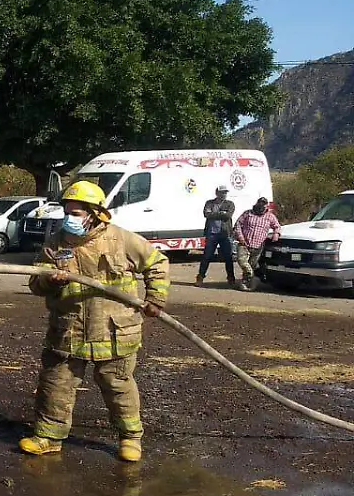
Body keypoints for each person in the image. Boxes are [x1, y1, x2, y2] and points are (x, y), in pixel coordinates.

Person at [21, 181, 169, 463]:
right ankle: (48, 437)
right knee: (57, 382)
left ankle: (130, 438)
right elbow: (35, 284)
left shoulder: (122, 240)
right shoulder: (56, 244)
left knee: (117, 384)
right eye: (67, 211)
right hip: (69, 329)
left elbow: (157, 263)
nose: (69, 218)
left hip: (113, 331)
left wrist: (155, 299)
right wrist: (48, 279)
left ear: (95, 213)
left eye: (76, 213)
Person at [233, 197, 281, 292]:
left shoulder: (270, 216)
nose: (261, 206)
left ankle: (245, 284)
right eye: (260, 203)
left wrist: (276, 234)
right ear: (257, 203)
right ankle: (252, 276)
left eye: (264, 204)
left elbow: (277, 226)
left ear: (266, 205)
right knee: (242, 261)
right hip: (244, 243)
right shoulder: (247, 213)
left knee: (252, 265)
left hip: (258, 245)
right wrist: (240, 237)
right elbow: (238, 225)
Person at [196, 185, 236, 287]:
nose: (224, 194)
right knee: (206, 256)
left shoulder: (230, 204)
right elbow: (206, 214)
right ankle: (200, 277)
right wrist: (221, 213)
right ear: (217, 193)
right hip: (211, 233)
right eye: (222, 192)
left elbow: (227, 216)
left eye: (225, 192)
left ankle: (231, 278)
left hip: (225, 234)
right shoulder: (209, 203)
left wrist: (214, 214)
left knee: (228, 257)